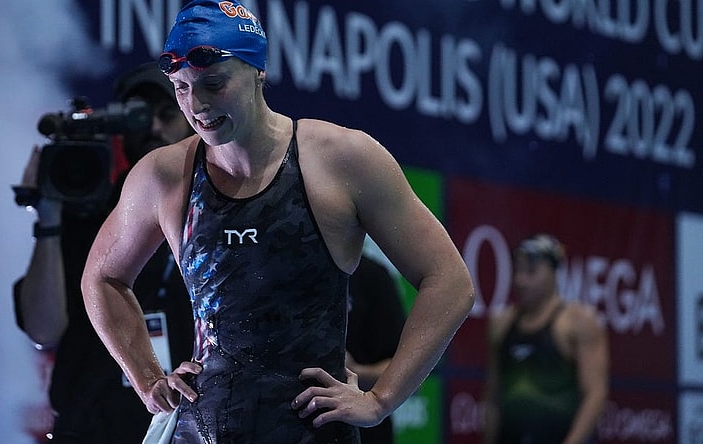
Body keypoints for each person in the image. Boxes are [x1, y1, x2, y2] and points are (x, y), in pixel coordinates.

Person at [80, 1, 475, 443]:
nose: (198, 105)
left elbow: (449, 281)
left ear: (257, 71)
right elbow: (103, 278)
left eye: (213, 83)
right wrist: (148, 377)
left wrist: (381, 399)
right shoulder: (163, 176)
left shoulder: (341, 159)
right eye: (182, 88)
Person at [13, 62, 195, 444]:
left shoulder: (210, 218)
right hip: (87, 427)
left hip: (185, 428)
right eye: (139, 117)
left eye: (166, 114)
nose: (154, 129)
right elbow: (43, 330)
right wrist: (48, 218)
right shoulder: (88, 217)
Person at [482, 233, 610, 444]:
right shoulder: (500, 324)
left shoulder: (578, 322)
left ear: (553, 272)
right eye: (518, 271)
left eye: (531, 272)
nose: (521, 280)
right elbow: (493, 396)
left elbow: (595, 395)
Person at [346, 254, 406, 444]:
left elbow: (408, 371)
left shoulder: (373, 277)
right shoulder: (280, 269)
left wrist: (355, 372)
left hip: (363, 432)